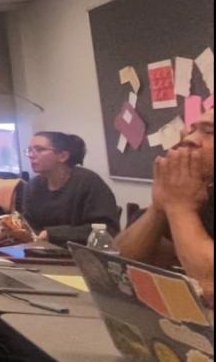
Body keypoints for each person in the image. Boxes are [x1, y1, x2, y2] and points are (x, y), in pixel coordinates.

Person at [116, 108, 214, 307]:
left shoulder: (185, 199)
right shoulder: (197, 189)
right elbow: (120, 265)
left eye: (209, 131)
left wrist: (180, 208)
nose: (189, 139)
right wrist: (159, 207)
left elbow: (210, 286)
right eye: (191, 130)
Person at [22, 131, 119, 245]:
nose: (31, 155)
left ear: (62, 156)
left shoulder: (88, 182)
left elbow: (108, 229)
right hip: (42, 250)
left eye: (39, 149)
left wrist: (53, 234)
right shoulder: (32, 186)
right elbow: (29, 225)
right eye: (30, 150)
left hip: (81, 252)